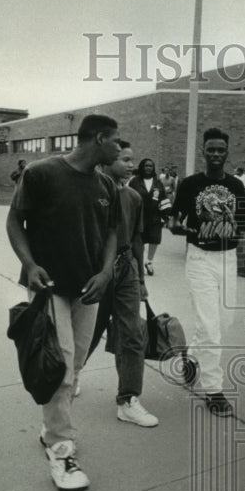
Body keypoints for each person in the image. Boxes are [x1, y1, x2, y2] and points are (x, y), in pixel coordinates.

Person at [6, 113, 121, 491]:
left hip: (88, 289)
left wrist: (105, 273)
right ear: (100, 138)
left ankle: (51, 428)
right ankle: (61, 450)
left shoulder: (106, 184)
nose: (120, 148)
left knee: (75, 363)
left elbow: (111, 233)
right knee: (61, 369)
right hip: (49, 286)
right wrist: (30, 264)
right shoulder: (41, 173)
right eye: (116, 142)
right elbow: (14, 221)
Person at [169, 127, 245, 417]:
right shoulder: (190, 184)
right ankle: (214, 391)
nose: (216, 154)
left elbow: (244, 223)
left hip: (227, 259)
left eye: (221, 150)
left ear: (227, 153)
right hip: (200, 260)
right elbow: (174, 221)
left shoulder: (237, 186)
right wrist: (183, 227)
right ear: (203, 151)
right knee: (211, 327)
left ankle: (190, 356)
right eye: (211, 149)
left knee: (223, 322)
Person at [88, 142, 158, 427]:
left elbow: (138, 240)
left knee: (131, 333)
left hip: (126, 267)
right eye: (125, 160)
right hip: (95, 270)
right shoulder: (91, 193)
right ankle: (71, 376)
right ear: (107, 160)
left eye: (134, 160)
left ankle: (128, 399)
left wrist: (140, 279)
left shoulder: (133, 197)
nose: (132, 165)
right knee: (88, 332)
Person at [129, 158, 168, 278]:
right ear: (142, 167)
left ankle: (149, 262)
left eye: (151, 166)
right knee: (139, 240)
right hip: (139, 217)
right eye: (146, 166)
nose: (148, 168)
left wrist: (165, 215)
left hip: (155, 217)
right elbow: (129, 198)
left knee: (154, 239)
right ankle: (139, 263)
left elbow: (163, 199)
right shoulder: (134, 182)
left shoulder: (158, 183)